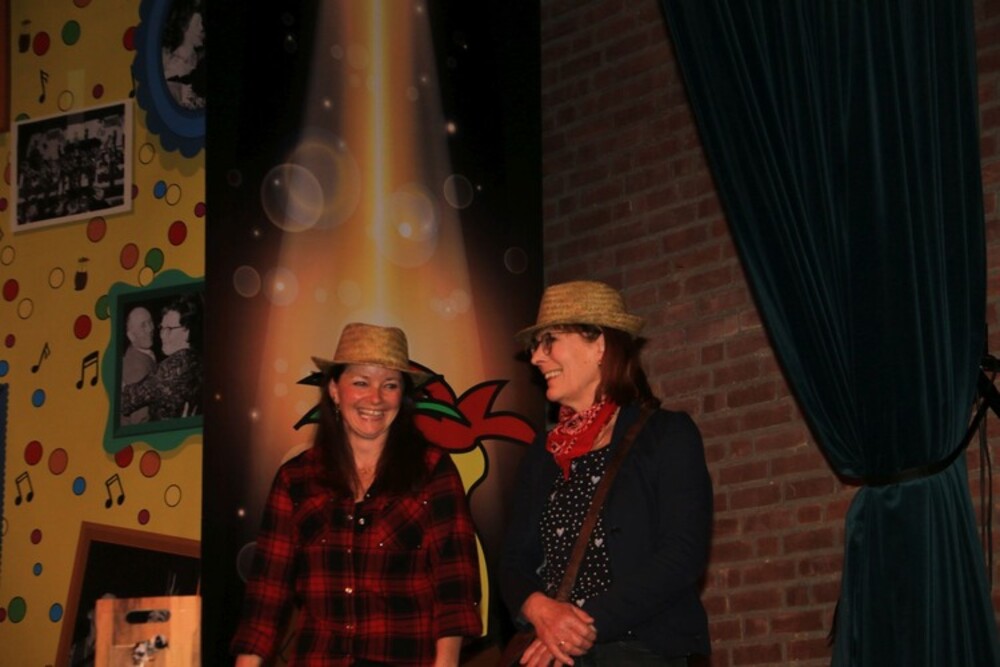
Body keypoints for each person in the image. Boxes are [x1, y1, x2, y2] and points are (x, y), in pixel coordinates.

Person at [231, 322, 483, 666]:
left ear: (402, 396)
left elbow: (455, 585)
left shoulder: (433, 471)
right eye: (361, 382)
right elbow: (266, 594)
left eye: (390, 385)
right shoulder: (296, 478)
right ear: (334, 390)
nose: (375, 398)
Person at [499, 281, 712, 667]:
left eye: (550, 341)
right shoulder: (542, 452)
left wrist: (579, 625)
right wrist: (539, 610)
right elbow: (514, 559)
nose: (536, 357)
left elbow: (682, 554)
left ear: (599, 345)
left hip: (641, 651)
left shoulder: (666, 435)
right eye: (536, 345)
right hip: (557, 654)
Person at [120, 294, 203, 421]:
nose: (162, 335)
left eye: (169, 329)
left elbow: (124, 402)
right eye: (162, 328)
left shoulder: (171, 368)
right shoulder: (196, 359)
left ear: (186, 331)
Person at [120, 306, 156, 425]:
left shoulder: (140, 353)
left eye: (150, 322)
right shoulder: (136, 368)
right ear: (131, 336)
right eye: (143, 325)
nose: (150, 328)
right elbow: (141, 421)